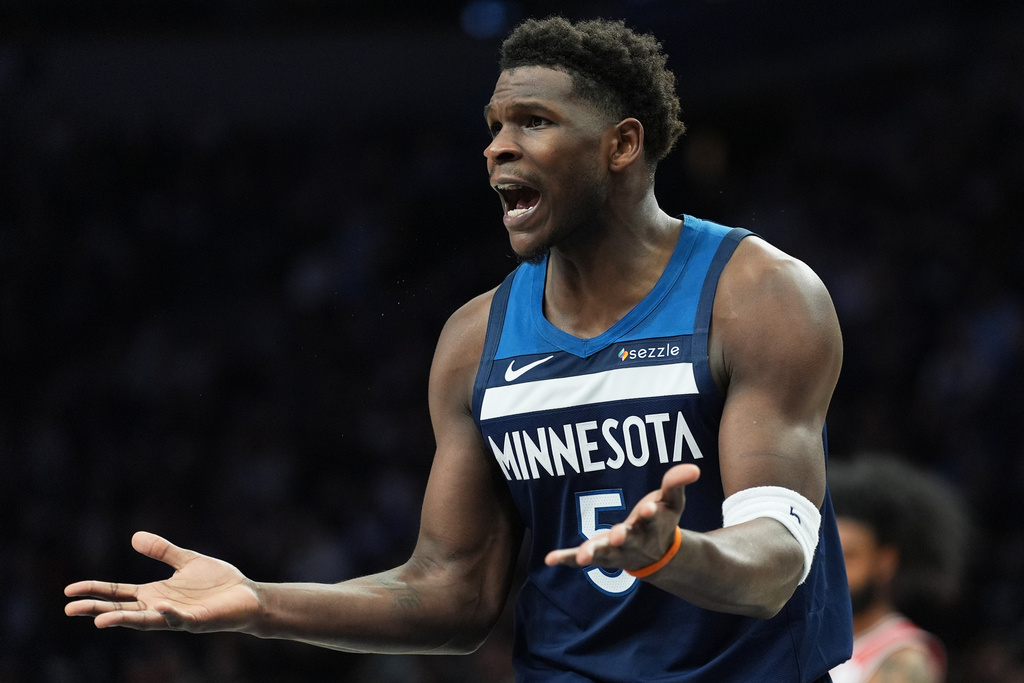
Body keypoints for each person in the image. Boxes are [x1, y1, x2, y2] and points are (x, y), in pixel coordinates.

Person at [65, 16, 853, 681]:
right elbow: (453, 591)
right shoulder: (476, 339)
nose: (497, 148)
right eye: (494, 126)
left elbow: (777, 562)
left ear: (621, 144)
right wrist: (261, 603)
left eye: (533, 121)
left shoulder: (758, 297)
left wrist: (672, 553)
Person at [828, 454, 969, 683]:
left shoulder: (905, 659)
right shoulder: (812, 642)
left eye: (849, 556)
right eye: (830, 557)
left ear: (885, 561)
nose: (834, 571)